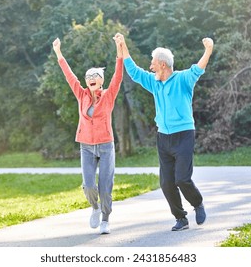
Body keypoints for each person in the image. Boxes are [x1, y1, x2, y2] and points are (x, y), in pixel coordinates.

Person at [118, 33, 214, 231]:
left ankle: (197, 204)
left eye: (153, 63)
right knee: (167, 183)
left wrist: (208, 50)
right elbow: (134, 72)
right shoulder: (154, 83)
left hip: (184, 135)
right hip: (163, 138)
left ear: (162, 64)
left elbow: (198, 69)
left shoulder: (183, 80)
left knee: (182, 179)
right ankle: (181, 218)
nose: (150, 67)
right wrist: (122, 45)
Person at [52, 34, 123, 234]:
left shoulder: (109, 95)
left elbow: (118, 75)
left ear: (101, 82)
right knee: (89, 185)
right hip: (86, 145)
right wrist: (59, 53)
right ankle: (95, 207)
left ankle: (106, 220)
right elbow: (69, 75)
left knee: (105, 186)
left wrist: (119, 48)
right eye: (89, 78)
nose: (91, 80)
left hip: (106, 145)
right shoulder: (81, 94)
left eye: (95, 78)